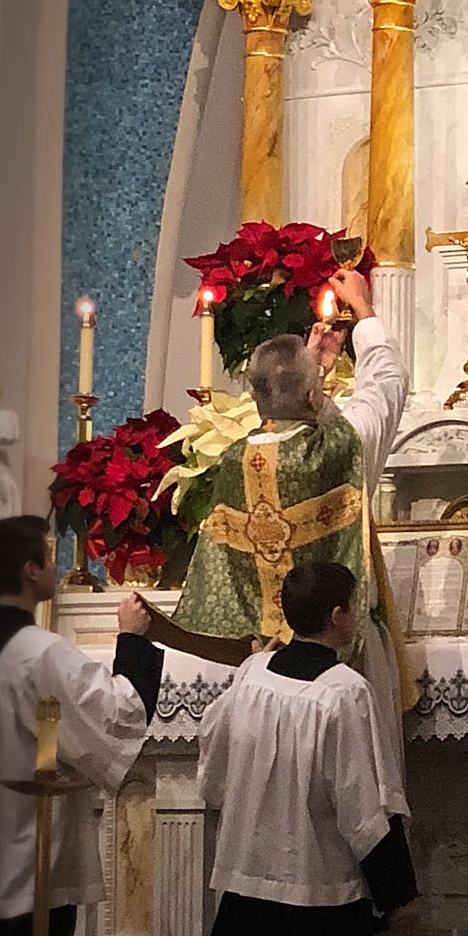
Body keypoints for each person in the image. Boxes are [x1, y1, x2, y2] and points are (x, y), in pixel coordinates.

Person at [171, 267, 412, 782]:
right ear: (314, 397)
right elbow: (386, 385)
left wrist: (311, 373)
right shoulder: (341, 449)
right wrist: (365, 314)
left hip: (264, 668)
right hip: (343, 655)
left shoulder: (234, 464)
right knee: (361, 802)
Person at [198, 561, 417, 936]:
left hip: (247, 884)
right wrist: (399, 896)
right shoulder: (345, 692)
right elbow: (365, 806)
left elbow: (215, 758)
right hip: (317, 892)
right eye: (352, 606)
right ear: (337, 616)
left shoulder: (253, 673)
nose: (354, 616)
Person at [0, 514, 163, 936]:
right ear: (31, 570)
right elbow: (118, 716)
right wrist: (131, 638)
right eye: (49, 557)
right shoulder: (41, 653)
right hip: (26, 859)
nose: (54, 565)